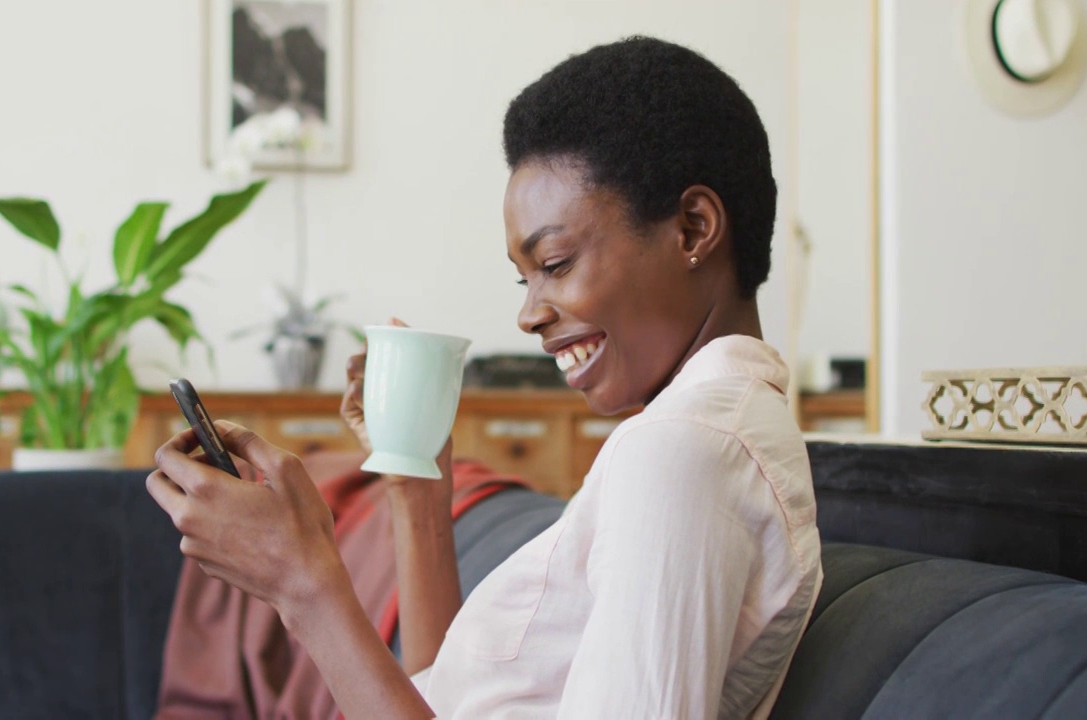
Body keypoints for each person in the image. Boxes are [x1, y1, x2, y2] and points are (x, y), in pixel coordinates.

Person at [147, 36, 822, 718]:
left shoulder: (683, 451)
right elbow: (443, 694)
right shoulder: (694, 437)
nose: (529, 315)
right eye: (523, 278)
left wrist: (304, 583)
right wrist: (417, 484)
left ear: (693, 228)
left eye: (554, 263)